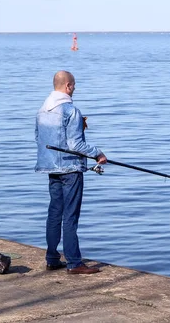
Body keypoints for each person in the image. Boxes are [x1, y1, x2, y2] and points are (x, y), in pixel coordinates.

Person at [35, 70, 107, 275]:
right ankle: (74, 262)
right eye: (74, 86)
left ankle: (51, 258)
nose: (74, 89)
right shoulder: (70, 110)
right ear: (67, 86)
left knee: (54, 213)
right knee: (70, 216)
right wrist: (98, 153)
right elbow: (75, 144)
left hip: (50, 167)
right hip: (70, 169)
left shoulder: (42, 110)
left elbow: (38, 138)